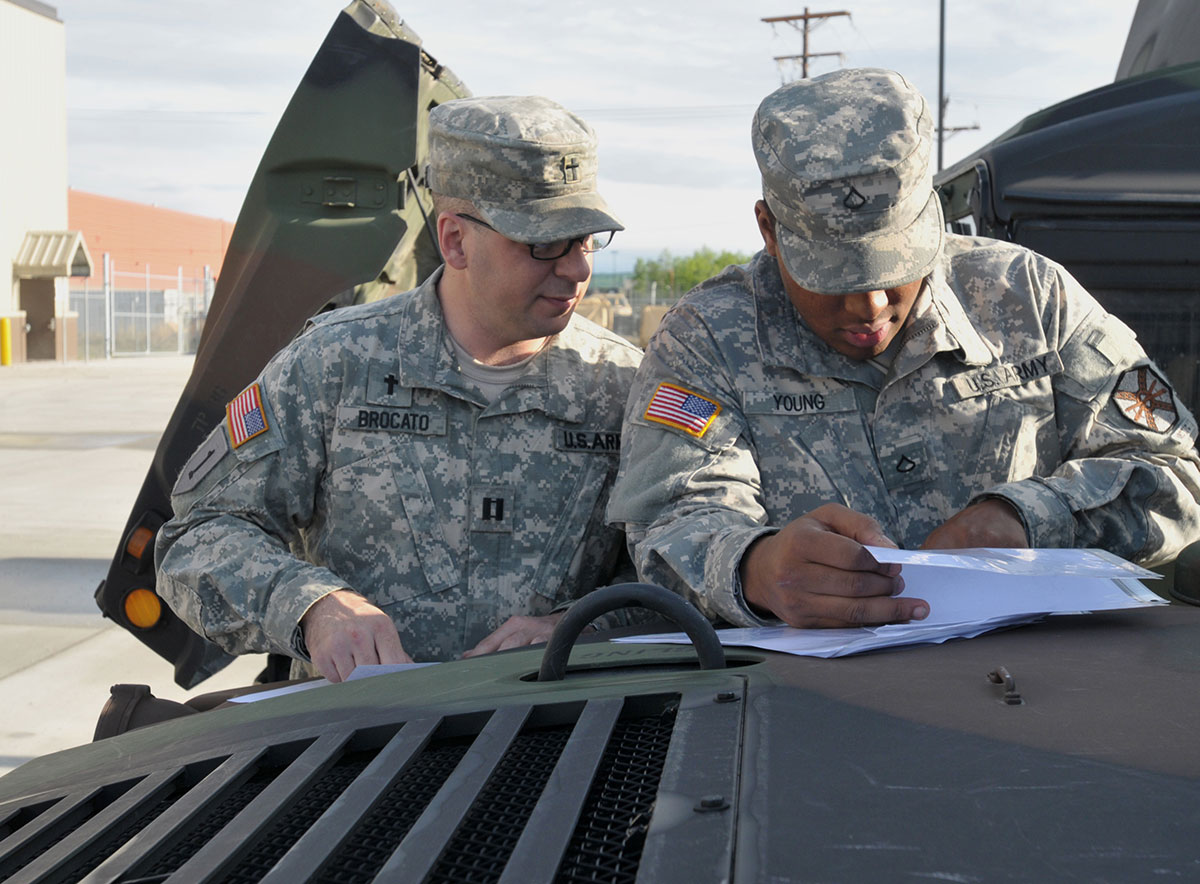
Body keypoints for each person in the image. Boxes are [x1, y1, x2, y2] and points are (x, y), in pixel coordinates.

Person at [607, 68, 1200, 630]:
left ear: (931, 213)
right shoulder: (707, 339)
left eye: (896, 265)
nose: (869, 305)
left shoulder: (1031, 299)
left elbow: (1178, 475)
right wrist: (754, 567)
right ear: (769, 229)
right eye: (833, 274)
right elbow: (669, 525)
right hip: (809, 707)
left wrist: (1028, 519)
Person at [156, 95, 641, 682]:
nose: (577, 269)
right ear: (455, 240)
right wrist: (311, 606)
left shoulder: (622, 387)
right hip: (360, 750)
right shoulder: (335, 363)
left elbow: (676, 573)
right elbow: (197, 537)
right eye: (544, 244)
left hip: (555, 747)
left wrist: (583, 625)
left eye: (586, 239)